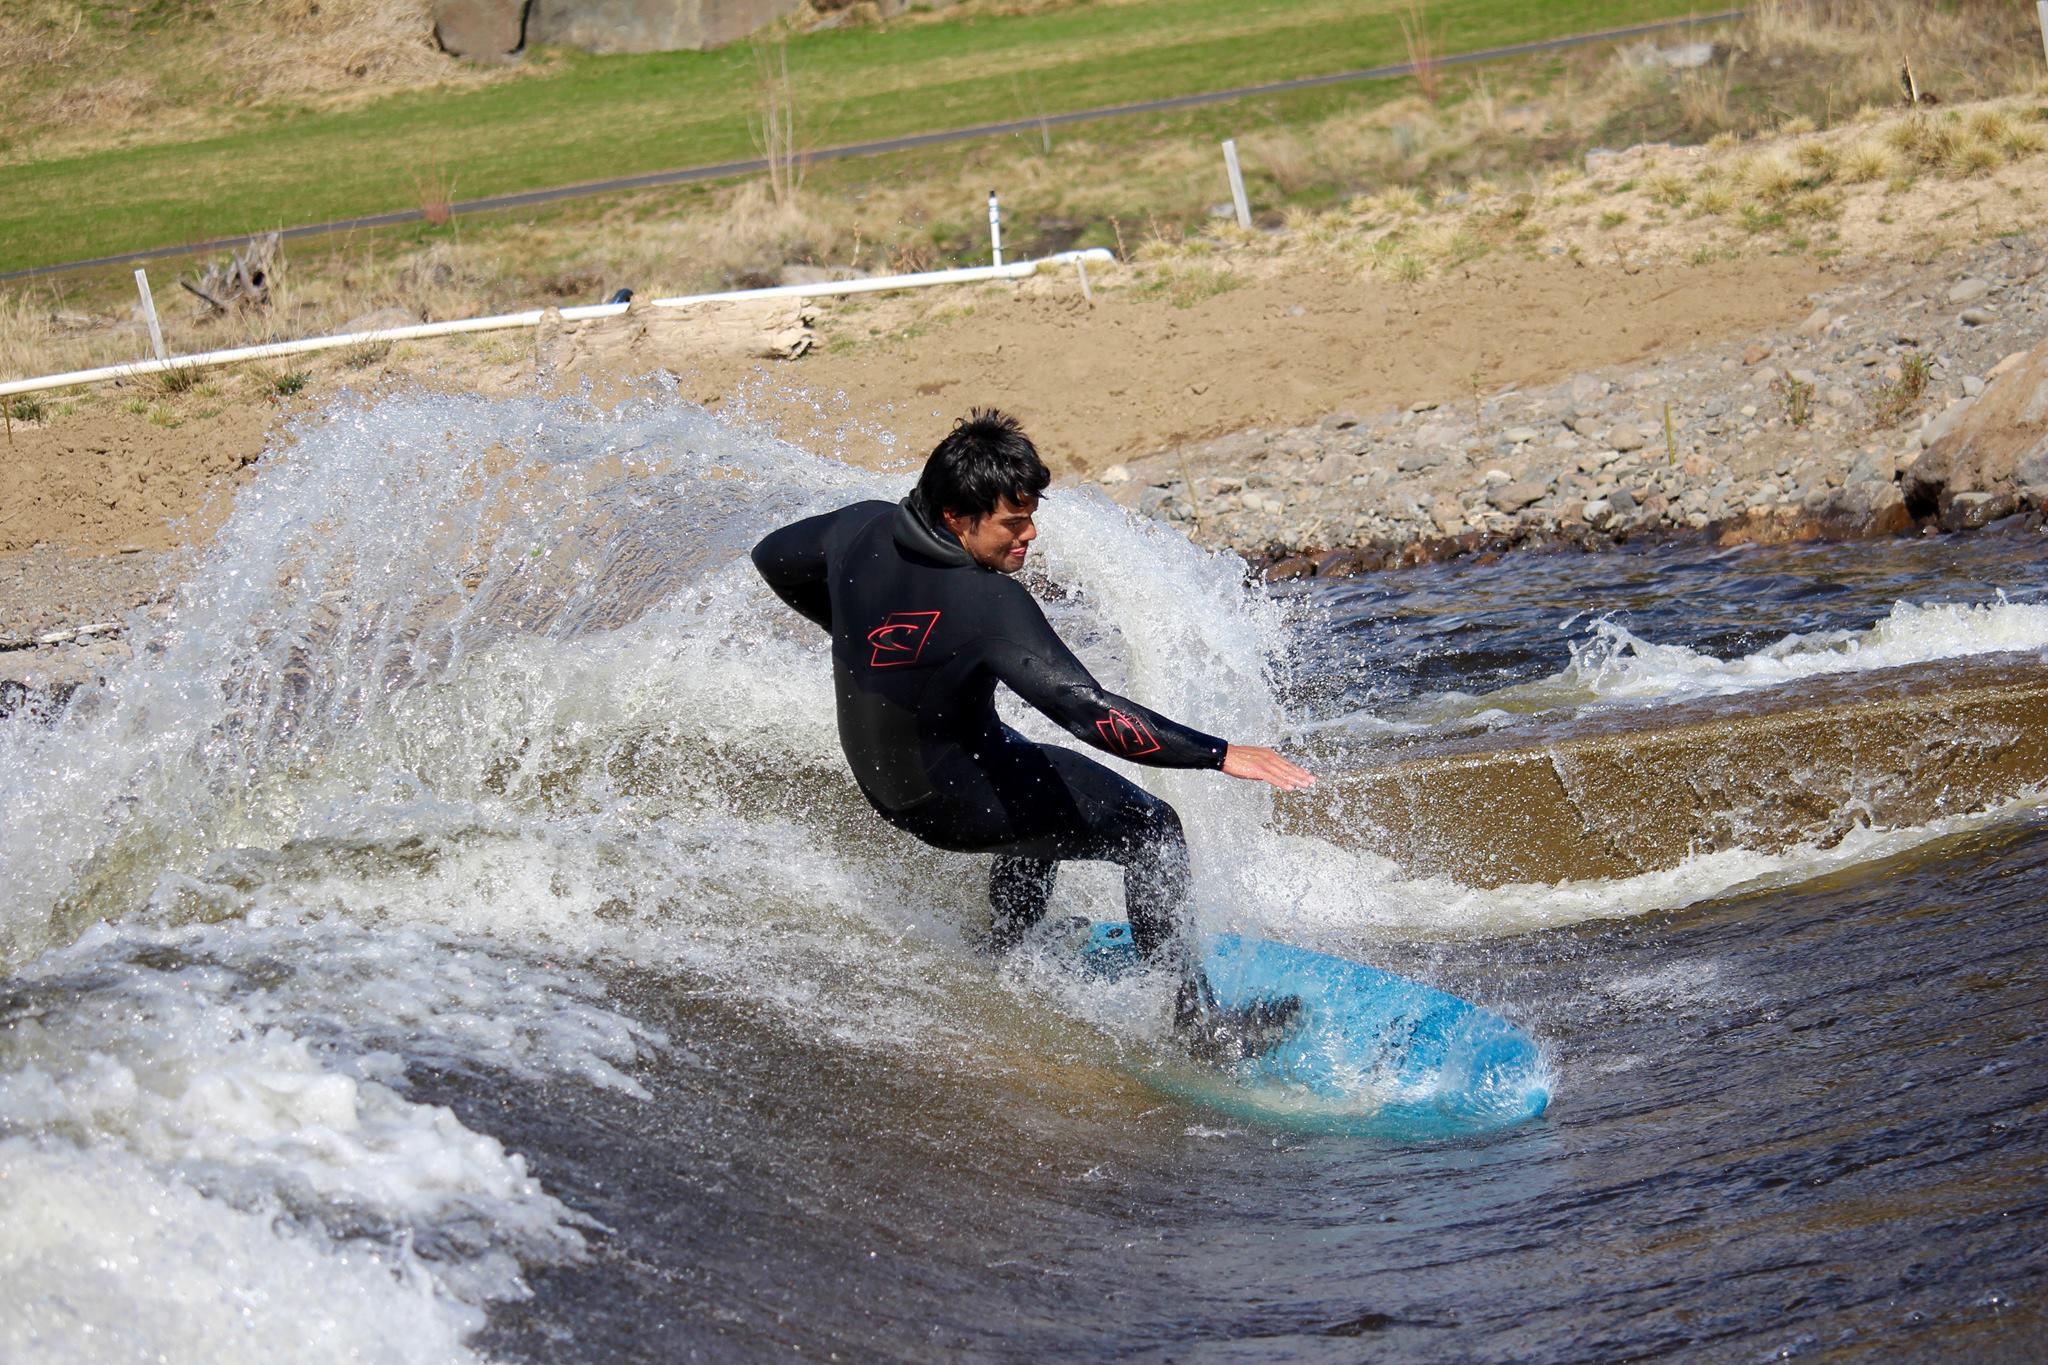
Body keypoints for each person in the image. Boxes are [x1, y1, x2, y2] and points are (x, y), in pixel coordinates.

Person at [751, 409, 1315, 1053]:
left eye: (1030, 517)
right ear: (956, 518)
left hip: (890, 781)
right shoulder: (986, 602)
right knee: (1152, 830)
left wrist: (855, 639)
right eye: (1012, 524)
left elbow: (772, 556)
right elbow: (1089, 712)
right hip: (944, 797)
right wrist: (1218, 753)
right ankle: (1197, 1028)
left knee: (1030, 772)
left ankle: (1010, 943)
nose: (1030, 536)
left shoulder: (860, 528)